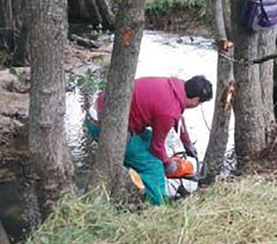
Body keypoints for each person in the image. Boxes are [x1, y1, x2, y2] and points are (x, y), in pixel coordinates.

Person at [85, 75, 213, 205]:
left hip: (101, 113)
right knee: (154, 166)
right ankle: (157, 206)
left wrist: (187, 143)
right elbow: (156, 147)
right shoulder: (168, 112)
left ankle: (148, 185)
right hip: (103, 127)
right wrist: (168, 165)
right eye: (200, 103)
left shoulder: (176, 86)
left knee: (151, 140)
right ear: (196, 100)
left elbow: (178, 118)